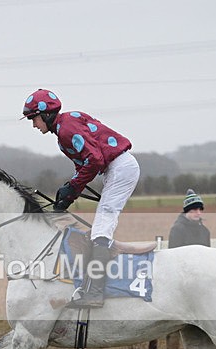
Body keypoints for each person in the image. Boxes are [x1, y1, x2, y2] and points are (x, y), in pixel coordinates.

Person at [22, 88, 140, 308]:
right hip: (117, 168)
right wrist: (68, 192)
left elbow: (94, 160)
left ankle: (95, 293)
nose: (34, 125)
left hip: (121, 168)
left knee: (101, 229)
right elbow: (84, 166)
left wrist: (73, 187)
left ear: (46, 114)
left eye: (34, 119)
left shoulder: (66, 129)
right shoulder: (64, 130)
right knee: (100, 228)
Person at [148, 189, 211, 349]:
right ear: (186, 211)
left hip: (200, 281)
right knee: (175, 322)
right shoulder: (178, 229)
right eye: (193, 210)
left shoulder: (205, 231)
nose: (197, 213)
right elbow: (175, 256)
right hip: (180, 282)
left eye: (200, 209)